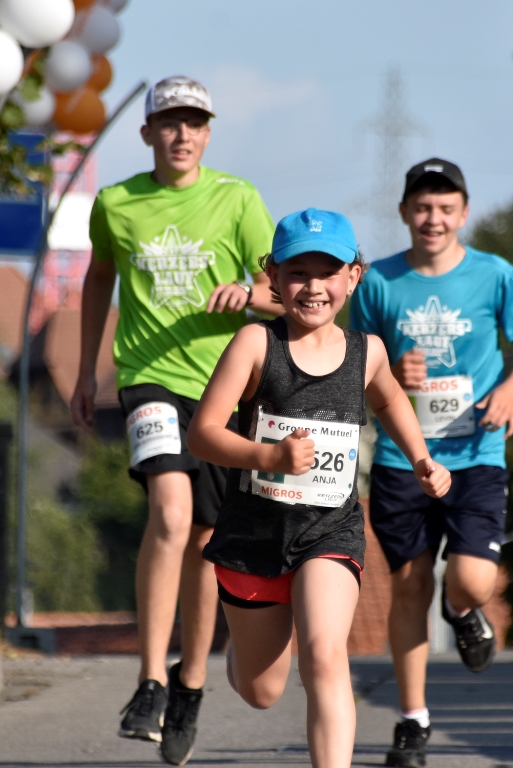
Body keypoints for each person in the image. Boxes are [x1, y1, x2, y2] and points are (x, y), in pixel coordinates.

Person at [188, 208, 451, 768]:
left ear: (353, 277)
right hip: (253, 536)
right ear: (274, 280)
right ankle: (246, 650)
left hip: (328, 529)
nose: (313, 287)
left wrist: (423, 459)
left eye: (327, 272)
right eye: (298, 272)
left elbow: (389, 400)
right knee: (260, 691)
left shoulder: (368, 352)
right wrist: (269, 456)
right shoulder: (255, 344)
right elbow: (203, 434)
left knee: (327, 655)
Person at [70, 76, 279, 765]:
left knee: (205, 537)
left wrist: (251, 293)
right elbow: (99, 278)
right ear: (148, 133)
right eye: (169, 123)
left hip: (223, 389)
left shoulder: (238, 198)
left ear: (209, 133)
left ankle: (191, 682)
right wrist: (83, 369)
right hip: (147, 379)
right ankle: (151, 680)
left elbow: (285, 295)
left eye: (194, 123)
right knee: (169, 511)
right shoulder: (117, 203)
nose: (181, 135)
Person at [350, 158, 513, 768]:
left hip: (476, 451)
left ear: (463, 213)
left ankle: (461, 611)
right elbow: (349, 362)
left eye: (445, 207)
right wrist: (387, 372)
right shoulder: (378, 281)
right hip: (403, 457)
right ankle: (412, 720)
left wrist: (512, 389)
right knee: (407, 587)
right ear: (405, 212)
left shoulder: (494, 275)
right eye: (422, 207)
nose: (433, 218)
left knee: (471, 580)